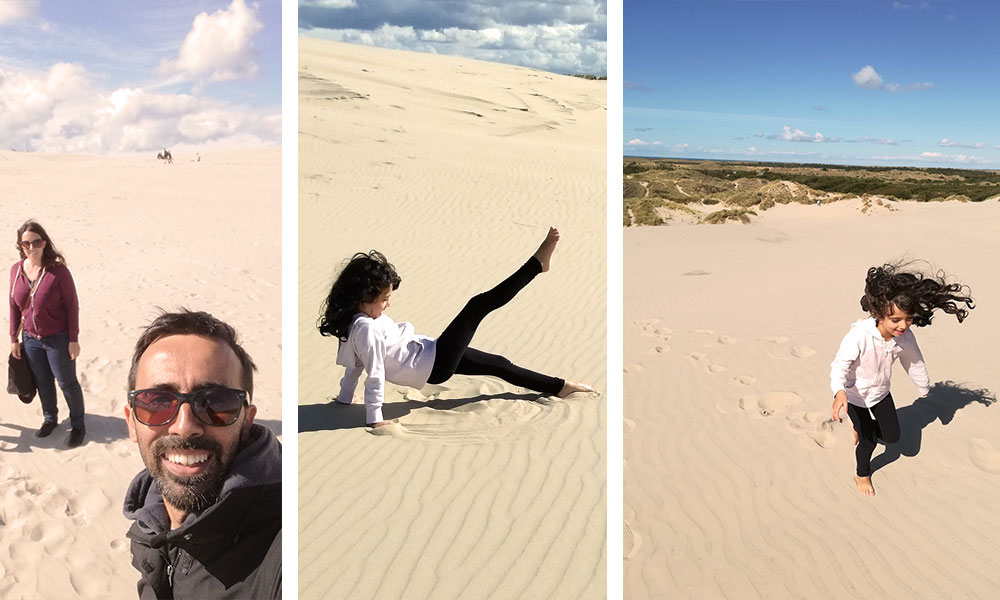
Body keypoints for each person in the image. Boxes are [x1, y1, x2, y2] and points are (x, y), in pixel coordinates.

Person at [319, 227, 596, 427]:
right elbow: (373, 371)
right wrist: (374, 418)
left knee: (498, 364)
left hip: (431, 352)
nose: (388, 305)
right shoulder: (365, 328)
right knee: (478, 305)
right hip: (434, 364)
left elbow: (354, 364)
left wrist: (345, 398)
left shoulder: (356, 322)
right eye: (384, 299)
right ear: (362, 299)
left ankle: (561, 387)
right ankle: (536, 265)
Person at [122, 310, 281, 599]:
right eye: (157, 401)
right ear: (131, 422)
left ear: (247, 421)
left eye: (216, 402)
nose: (184, 427)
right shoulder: (151, 524)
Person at [830, 262, 974, 497]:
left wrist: (923, 386)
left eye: (908, 319)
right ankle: (862, 473)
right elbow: (840, 365)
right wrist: (839, 391)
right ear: (878, 313)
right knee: (868, 443)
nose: (903, 325)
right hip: (853, 396)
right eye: (895, 319)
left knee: (892, 437)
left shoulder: (905, 338)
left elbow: (914, 361)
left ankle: (859, 426)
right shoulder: (859, 336)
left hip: (880, 393)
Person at [9, 220, 86, 447]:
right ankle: (50, 419)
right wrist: (14, 338)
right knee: (43, 381)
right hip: (31, 339)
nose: (31, 247)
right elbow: (13, 306)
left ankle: (78, 424)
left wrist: (73, 339)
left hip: (58, 339)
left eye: (36, 242)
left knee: (67, 382)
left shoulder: (58, 272)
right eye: (26, 243)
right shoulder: (16, 270)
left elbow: (72, 306)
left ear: (44, 242)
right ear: (20, 245)